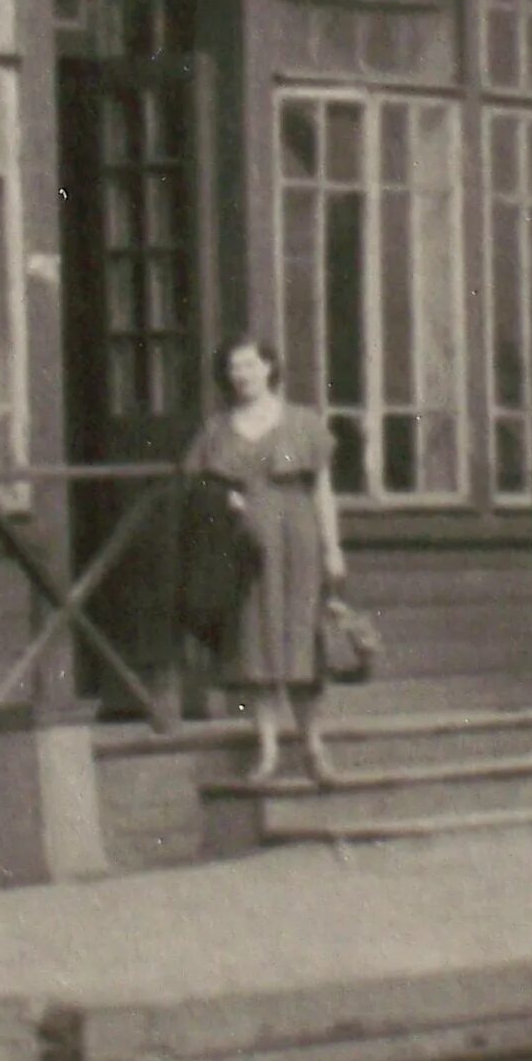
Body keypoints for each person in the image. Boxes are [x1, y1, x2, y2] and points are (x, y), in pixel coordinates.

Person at [183, 336, 347, 784]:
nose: (243, 375)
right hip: (245, 544)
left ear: (270, 368)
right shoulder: (217, 429)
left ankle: (314, 747)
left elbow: (322, 491)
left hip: (299, 539)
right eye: (235, 367)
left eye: (251, 365)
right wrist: (226, 501)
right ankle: (268, 751)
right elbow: (198, 488)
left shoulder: (303, 422)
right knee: (255, 643)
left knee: (303, 642)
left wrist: (333, 548)